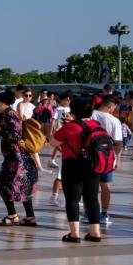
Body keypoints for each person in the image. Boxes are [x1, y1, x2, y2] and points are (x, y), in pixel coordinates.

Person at [51, 97, 107, 243]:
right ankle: (95, 233)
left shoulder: (70, 127)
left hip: (73, 165)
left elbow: (53, 141)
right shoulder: (97, 124)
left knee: (73, 199)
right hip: (93, 166)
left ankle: (74, 234)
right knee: (92, 199)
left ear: (73, 111)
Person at [0, 91, 38, 226]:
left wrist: (0, 132)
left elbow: (15, 136)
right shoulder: (5, 114)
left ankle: (12, 215)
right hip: (16, 155)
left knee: (3, 183)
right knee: (23, 183)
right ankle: (30, 217)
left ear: (3, 103)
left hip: (16, 156)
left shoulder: (9, 114)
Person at [91, 96, 124, 226]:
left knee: (90, 186)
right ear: (111, 106)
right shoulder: (114, 120)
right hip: (106, 157)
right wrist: (118, 159)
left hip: (89, 156)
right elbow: (118, 143)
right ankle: (104, 214)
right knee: (105, 185)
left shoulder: (90, 115)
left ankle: (89, 212)